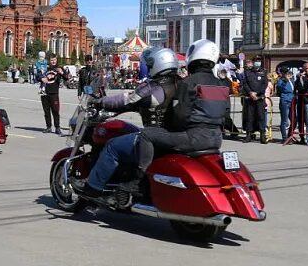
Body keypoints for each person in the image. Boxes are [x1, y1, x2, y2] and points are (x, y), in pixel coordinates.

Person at [78, 48, 181, 197]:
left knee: (112, 146)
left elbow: (126, 100)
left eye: (150, 65)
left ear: (159, 64)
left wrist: (99, 101)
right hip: (174, 138)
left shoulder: (153, 88)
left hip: (154, 139)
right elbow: (137, 106)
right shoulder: (179, 84)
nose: (148, 68)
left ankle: (93, 187)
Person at [138, 39, 227, 162]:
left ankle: (138, 178)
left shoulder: (189, 83)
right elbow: (225, 114)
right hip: (217, 138)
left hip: (193, 138)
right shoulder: (221, 85)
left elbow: (180, 115)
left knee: (146, 134)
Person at [242, 55, 268, 144]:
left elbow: (265, 84)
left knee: (261, 117)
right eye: (256, 60)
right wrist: (250, 93)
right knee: (249, 117)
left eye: (259, 60)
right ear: (253, 62)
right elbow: (245, 83)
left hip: (259, 98)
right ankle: (248, 135)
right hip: (250, 98)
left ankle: (262, 136)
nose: (258, 62)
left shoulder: (263, 72)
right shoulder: (247, 72)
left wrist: (256, 93)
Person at [40, 54, 67, 134]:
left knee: (55, 111)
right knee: (46, 111)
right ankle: (48, 127)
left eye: (54, 60)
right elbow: (37, 76)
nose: (53, 61)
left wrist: (62, 72)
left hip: (54, 93)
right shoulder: (45, 68)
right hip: (44, 93)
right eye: (52, 60)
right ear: (49, 61)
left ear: (56, 60)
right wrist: (41, 78)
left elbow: (66, 77)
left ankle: (57, 127)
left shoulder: (59, 68)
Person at [276, 68, 295, 142]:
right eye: (286, 73)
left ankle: (290, 135)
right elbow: (280, 89)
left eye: (289, 73)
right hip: (285, 101)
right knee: (284, 120)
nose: (288, 74)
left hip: (292, 101)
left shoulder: (291, 80)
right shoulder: (281, 81)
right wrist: (285, 81)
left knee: (294, 119)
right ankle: (284, 137)